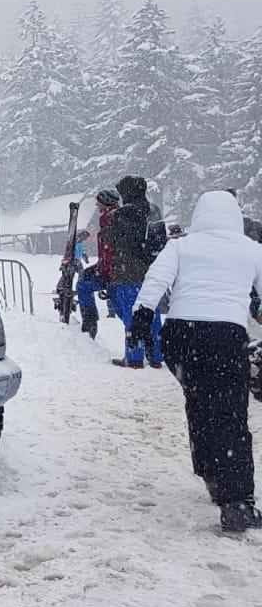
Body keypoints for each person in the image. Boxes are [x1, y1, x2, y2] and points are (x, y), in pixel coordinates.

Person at [131, 191, 262, 533]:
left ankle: (212, 474)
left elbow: (155, 280)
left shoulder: (181, 246)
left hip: (181, 337)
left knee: (201, 404)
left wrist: (142, 317)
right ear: (235, 215)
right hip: (225, 337)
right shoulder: (251, 249)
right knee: (230, 414)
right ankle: (237, 501)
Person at [103, 174, 164, 368]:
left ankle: (134, 356)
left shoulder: (124, 213)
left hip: (128, 271)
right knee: (151, 314)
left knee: (132, 316)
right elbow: (161, 239)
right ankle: (156, 356)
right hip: (152, 272)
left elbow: (110, 238)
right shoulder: (154, 211)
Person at [75, 188, 118, 339]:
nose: (97, 206)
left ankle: (90, 323)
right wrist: (97, 267)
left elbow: (111, 250)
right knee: (84, 282)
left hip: (113, 272)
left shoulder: (109, 219)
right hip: (111, 269)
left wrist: (103, 270)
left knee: (82, 286)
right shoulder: (111, 218)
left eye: (99, 203)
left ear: (106, 203)